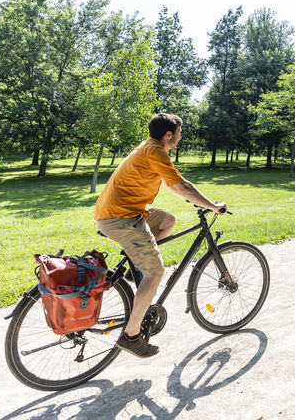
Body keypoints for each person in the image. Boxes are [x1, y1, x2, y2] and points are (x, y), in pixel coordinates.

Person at [94, 113, 227, 357]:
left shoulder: (149, 148)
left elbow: (170, 184)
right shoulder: (155, 152)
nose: (179, 137)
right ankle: (131, 336)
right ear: (169, 134)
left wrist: (192, 197)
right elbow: (181, 186)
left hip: (120, 212)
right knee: (156, 272)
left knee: (167, 221)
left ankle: (140, 268)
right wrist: (212, 206)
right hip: (121, 218)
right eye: (179, 133)